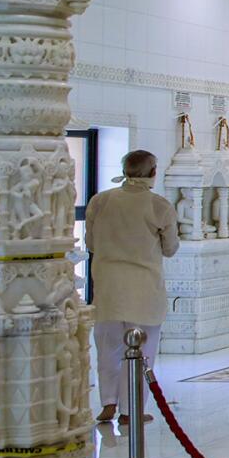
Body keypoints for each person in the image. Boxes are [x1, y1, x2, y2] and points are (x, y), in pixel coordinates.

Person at [85, 150, 179, 424]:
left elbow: (91, 244)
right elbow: (171, 248)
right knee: (141, 353)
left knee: (108, 348)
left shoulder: (101, 201)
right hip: (144, 290)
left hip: (109, 287)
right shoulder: (158, 206)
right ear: (153, 173)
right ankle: (130, 410)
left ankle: (108, 403)